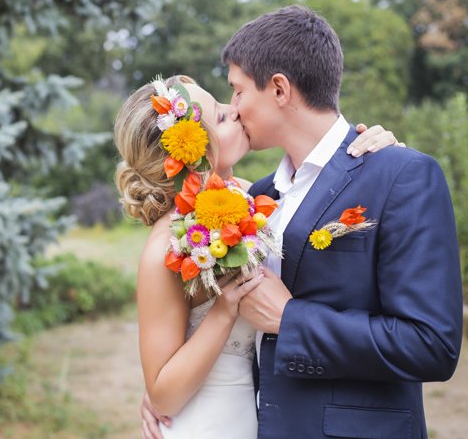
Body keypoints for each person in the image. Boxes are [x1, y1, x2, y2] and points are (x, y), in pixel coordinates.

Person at [141, 6, 463, 439]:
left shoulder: (400, 175)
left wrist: (291, 319)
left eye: (236, 92)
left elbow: (433, 346)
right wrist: (174, 395)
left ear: (278, 89)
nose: (233, 110)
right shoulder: (254, 198)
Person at [115, 75, 401, 438]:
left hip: (268, 417)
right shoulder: (166, 246)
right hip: (209, 424)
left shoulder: (259, 198)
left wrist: (383, 154)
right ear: (192, 155)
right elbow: (165, 395)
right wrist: (224, 309)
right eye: (220, 116)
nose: (234, 110)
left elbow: (340, 188)